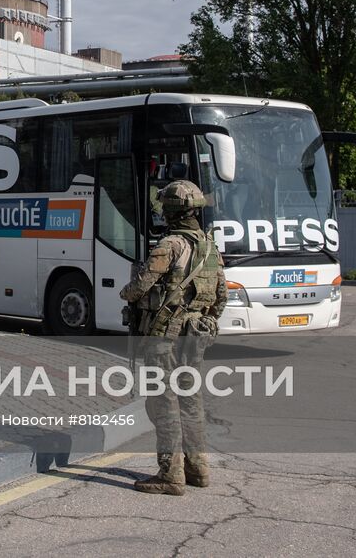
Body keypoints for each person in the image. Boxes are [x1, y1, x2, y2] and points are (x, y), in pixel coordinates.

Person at [121, 179, 226, 496]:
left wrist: (127, 293)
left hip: (165, 339)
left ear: (170, 211)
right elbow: (220, 298)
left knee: (164, 405)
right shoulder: (210, 249)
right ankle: (198, 470)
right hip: (195, 339)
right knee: (191, 404)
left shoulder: (170, 245)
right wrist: (201, 323)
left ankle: (171, 475)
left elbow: (138, 288)